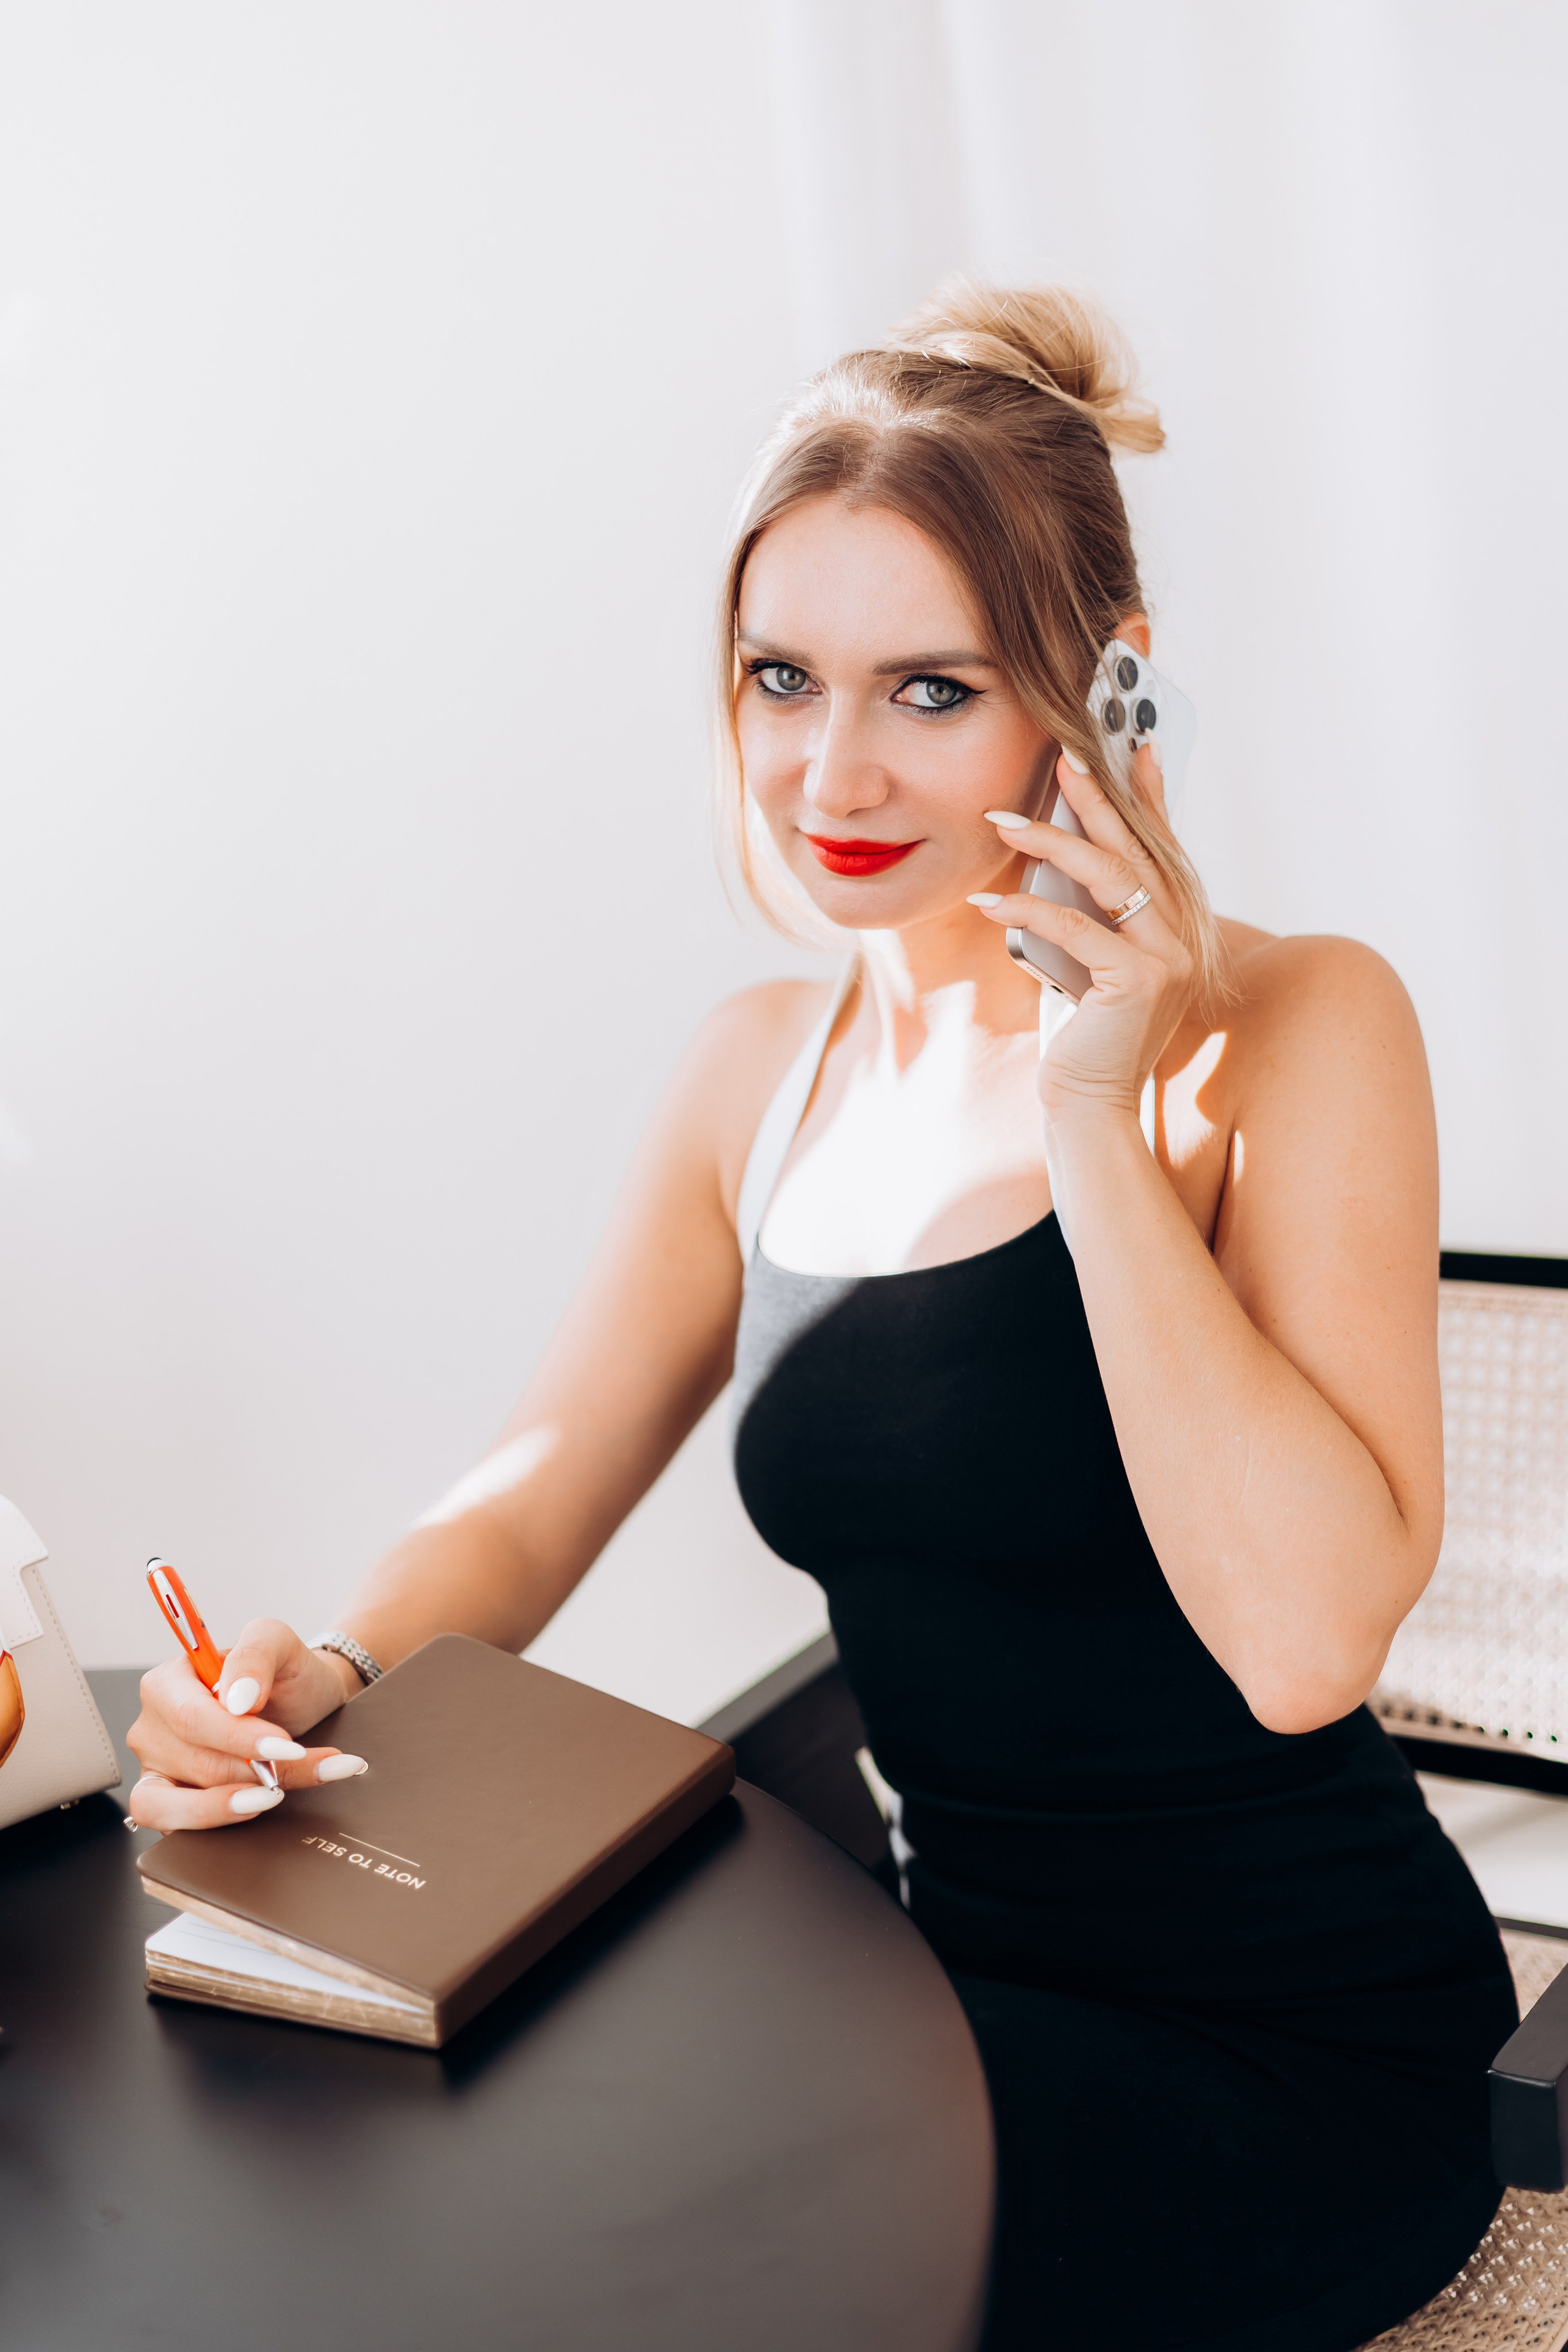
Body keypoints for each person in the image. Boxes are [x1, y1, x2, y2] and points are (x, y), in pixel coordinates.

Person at [127, 280, 1515, 2351]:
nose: (831, 768)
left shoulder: (1296, 1027)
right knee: (426, 2128)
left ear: (1106, 695)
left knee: (621, 2236)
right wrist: (314, 1669)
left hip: (1285, 2052)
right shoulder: (754, 1069)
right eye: (784, 677)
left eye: (930, 691)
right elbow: (529, 1501)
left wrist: (1093, 1106)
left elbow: (1307, 1646)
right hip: (932, 1987)